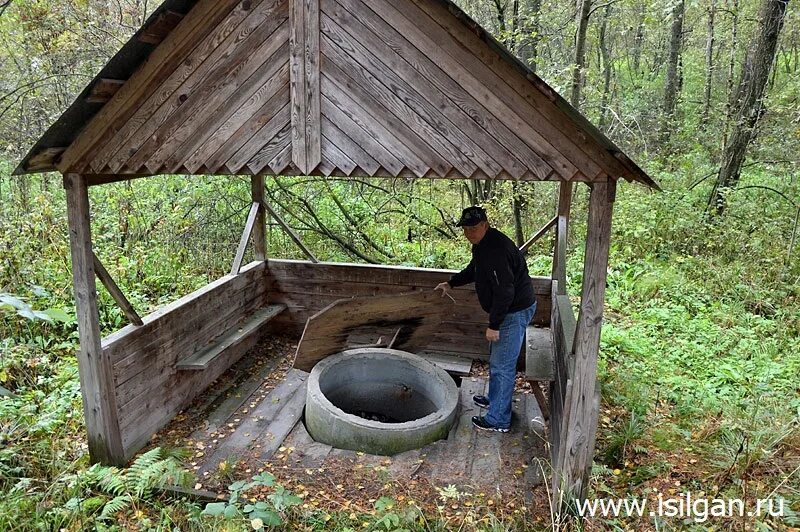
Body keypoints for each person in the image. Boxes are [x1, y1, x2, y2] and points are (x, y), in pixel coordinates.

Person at [435, 206, 536, 433]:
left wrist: (494, 324)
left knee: (502, 366)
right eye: (465, 228)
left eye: (473, 227)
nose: (469, 232)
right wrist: (451, 282)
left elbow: (505, 292)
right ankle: (495, 400)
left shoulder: (495, 250)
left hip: (513, 311)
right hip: (509, 309)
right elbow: (474, 270)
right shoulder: (483, 245)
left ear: (485, 225)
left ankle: (499, 420)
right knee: (497, 359)